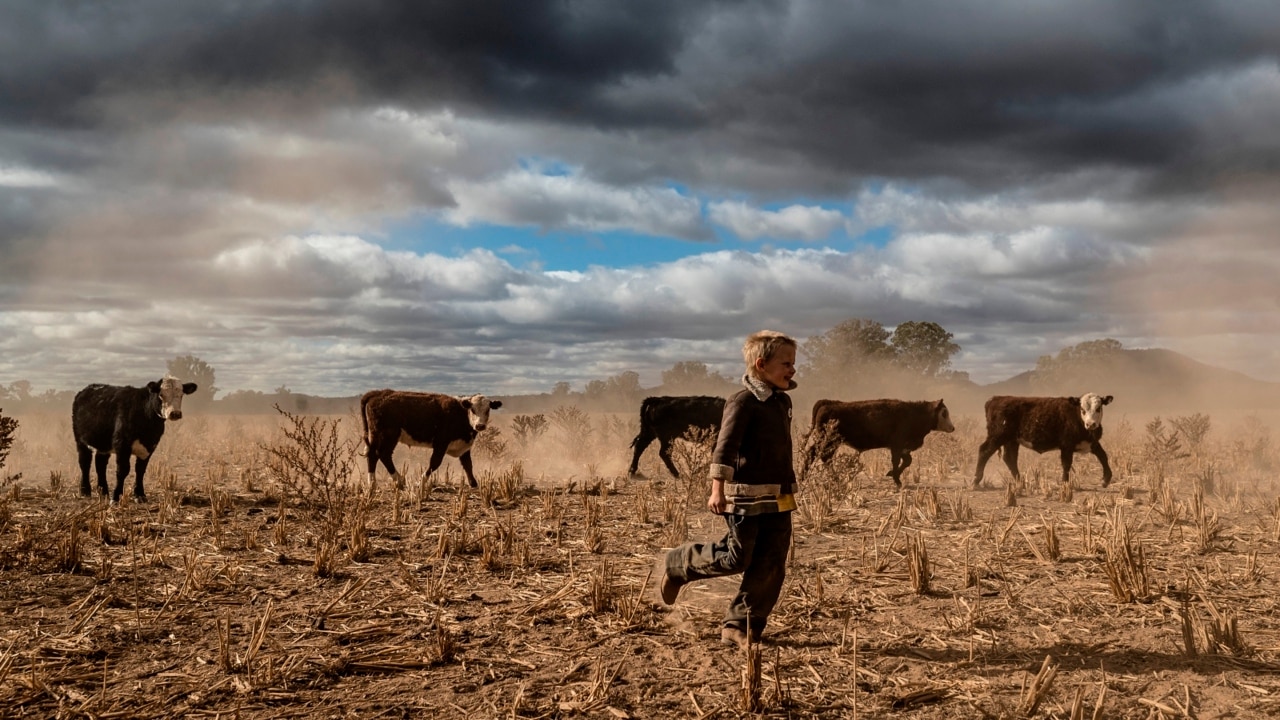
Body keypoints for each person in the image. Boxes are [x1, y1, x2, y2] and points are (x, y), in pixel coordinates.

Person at [658, 329, 798, 647]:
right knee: (737, 557)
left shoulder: (783, 401)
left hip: (779, 495)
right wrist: (716, 489)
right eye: (786, 363)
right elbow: (725, 447)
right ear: (761, 365)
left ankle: (740, 624)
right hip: (744, 496)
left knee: (772, 562)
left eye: (793, 364)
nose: (792, 370)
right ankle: (679, 565)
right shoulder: (743, 401)